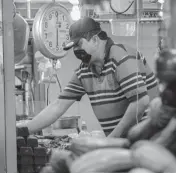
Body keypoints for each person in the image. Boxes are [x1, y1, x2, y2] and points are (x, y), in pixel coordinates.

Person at [20, 17, 158, 138]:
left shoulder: (122, 57)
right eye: (73, 47)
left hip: (151, 140)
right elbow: (58, 106)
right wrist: (24, 130)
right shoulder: (84, 70)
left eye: (79, 45)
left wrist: (112, 139)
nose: (76, 51)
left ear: (95, 40)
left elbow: (141, 102)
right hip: (124, 143)